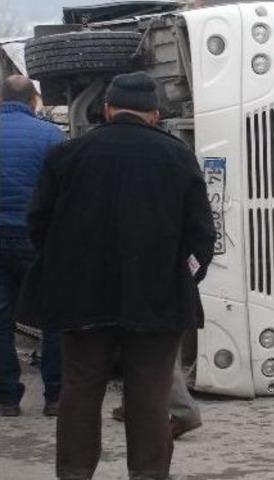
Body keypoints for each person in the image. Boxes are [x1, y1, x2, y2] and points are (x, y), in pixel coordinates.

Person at [17, 71, 215, 480]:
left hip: (81, 298)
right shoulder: (178, 157)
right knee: (150, 395)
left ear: (107, 109)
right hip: (157, 299)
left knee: (80, 389)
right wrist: (183, 278)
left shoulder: (67, 155)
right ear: (155, 114)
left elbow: (38, 225)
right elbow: (201, 237)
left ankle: (74, 474)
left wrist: (66, 269)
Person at [0, 75, 65, 417]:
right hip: (38, 238)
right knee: (54, 315)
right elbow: (64, 191)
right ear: (33, 101)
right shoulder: (51, 136)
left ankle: (7, 398)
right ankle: (55, 396)